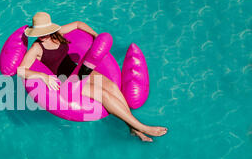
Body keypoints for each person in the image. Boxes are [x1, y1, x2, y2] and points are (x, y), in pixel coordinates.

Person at [17, 12, 168, 142]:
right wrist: (43, 76)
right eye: (39, 33)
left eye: (44, 31)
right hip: (69, 82)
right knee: (103, 95)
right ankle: (142, 127)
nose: (42, 36)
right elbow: (21, 70)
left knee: (112, 87)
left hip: (80, 69)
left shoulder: (58, 33)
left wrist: (96, 36)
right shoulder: (36, 48)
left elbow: (77, 24)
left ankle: (132, 128)